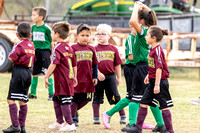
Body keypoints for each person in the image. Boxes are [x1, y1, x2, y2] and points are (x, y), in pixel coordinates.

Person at [114, 2, 167, 133]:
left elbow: (132, 20)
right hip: (148, 68)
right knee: (149, 98)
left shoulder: (144, 32)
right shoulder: (152, 30)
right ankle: (161, 124)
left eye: (139, 20)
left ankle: (133, 125)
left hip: (141, 68)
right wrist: (145, 7)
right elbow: (152, 17)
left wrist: (136, 7)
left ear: (141, 21)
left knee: (134, 97)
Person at [102, 22, 154, 130]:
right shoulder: (131, 38)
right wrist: (143, 57)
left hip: (139, 68)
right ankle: (109, 114)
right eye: (138, 27)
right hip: (132, 69)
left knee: (140, 96)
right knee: (132, 96)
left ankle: (139, 121)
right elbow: (131, 57)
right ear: (131, 27)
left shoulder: (140, 38)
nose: (141, 29)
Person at [133, 26, 174, 133]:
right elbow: (153, 67)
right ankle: (138, 128)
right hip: (152, 81)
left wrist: (157, 85)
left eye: (147, 35)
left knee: (163, 107)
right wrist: (148, 75)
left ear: (154, 38)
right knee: (143, 102)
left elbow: (159, 68)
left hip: (159, 82)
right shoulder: (151, 49)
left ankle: (170, 130)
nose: (145, 37)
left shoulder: (158, 50)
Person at [2, 22, 35, 133]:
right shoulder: (31, 45)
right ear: (30, 35)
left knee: (10, 99)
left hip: (19, 72)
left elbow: (11, 57)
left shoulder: (18, 44)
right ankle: (22, 126)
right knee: (22, 100)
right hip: (28, 73)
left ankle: (15, 126)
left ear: (17, 34)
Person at [44, 21, 77, 132]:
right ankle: (59, 122)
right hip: (66, 78)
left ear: (57, 34)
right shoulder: (69, 47)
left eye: (52, 33)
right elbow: (74, 64)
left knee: (64, 100)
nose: (51, 35)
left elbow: (54, 63)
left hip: (62, 79)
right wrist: (75, 77)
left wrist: (46, 75)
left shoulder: (57, 48)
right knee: (56, 99)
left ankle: (70, 123)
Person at [93, 23, 126, 127]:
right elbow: (91, 65)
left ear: (109, 36)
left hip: (110, 76)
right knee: (97, 96)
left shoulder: (113, 49)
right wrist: (97, 74)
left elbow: (117, 64)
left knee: (115, 96)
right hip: (98, 77)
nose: (100, 36)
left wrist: (119, 77)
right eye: (98, 34)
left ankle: (123, 115)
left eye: (103, 34)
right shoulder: (94, 49)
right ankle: (96, 117)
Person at [71, 23, 98, 127]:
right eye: (82, 35)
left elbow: (95, 64)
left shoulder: (92, 48)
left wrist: (95, 76)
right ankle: (73, 118)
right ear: (77, 35)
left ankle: (71, 111)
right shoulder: (73, 48)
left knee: (87, 99)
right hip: (76, 79)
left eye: (87, 35)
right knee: (74, 99)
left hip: (88, 79)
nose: (85, 38)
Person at [28, 6, 54, 100]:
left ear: (41, 17)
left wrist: (53, 53)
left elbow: (51, 41)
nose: (32, 17)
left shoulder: (47, 29)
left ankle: (51, 94)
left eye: (34, 15)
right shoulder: (33, 27)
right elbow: (32, 41)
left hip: (45, 52)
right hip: (36, 52)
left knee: (48, 73)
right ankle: (33, 94)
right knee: (34, 73)